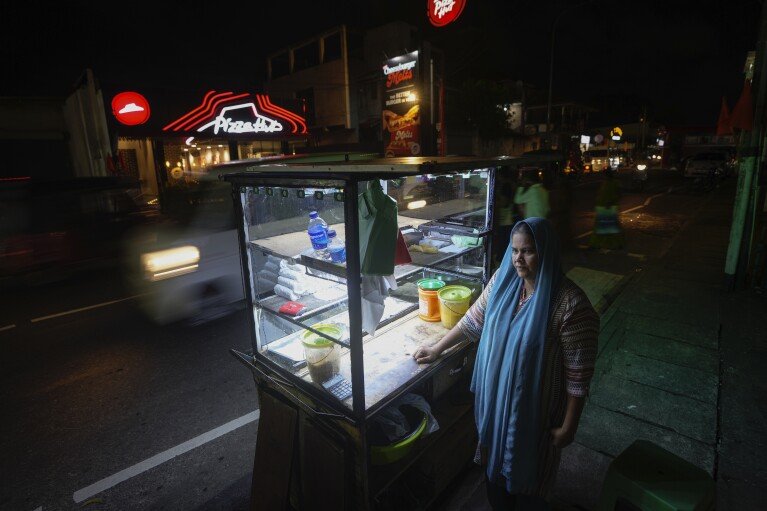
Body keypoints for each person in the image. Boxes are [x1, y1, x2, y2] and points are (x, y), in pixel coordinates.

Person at [414, 218, 598, 510]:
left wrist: (569, 426)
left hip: (537, 414)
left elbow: (578, 375)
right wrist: (437, 348)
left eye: (527, 251)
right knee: (496, 480)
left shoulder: (570, 304)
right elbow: (474, 320)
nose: (518, 259)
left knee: (530, 486)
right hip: (498, 405)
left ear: (546, 252)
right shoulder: (503, 281)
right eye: (514, 250)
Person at [589, 169, 625, 250]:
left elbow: (617, 194)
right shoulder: (610, 183)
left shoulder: (611, 183)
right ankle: (616, 244)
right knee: (610, 227)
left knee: (603, 227)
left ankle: (597, 245)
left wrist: (610, 202)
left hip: (607, 207)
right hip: (606, 207)